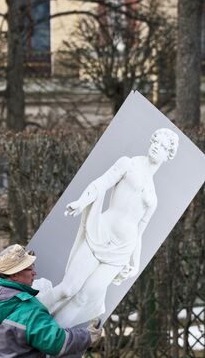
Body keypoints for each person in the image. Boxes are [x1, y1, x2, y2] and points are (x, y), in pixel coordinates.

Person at [38, 128, 179, 328]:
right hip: (100, 232)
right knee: (68, 289)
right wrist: (81, 202)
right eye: (156, 142)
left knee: (83, 299)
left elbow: (139, 232)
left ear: (168, 155)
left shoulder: (153, 198)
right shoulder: (128, 164)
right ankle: (20, 319)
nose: (158, 147)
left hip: (121, 251)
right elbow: (100, 184)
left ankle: (50, 344)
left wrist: (135, 263)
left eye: (164, 146)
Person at [0, 244, 101, 357]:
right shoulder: (28, 312)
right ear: (14, 275)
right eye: (29, 268)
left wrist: (9, 259)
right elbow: (57, 342)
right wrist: (88, 336)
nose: (35, 273)